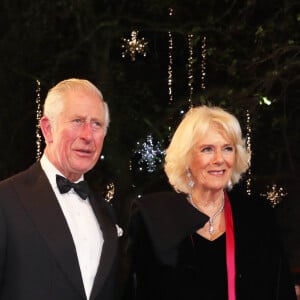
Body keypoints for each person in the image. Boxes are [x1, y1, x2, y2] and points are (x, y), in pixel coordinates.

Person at [125, 105, 297, 300]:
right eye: (207, 149)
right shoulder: (157, 221)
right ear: (187, 157)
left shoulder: (258, 215)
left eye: (227, 148)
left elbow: (282, 292)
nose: (219, 159)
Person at [0, 78, 122, 300]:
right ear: (48, 129)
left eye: (97, 124)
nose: (87, 135)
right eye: (77, 121)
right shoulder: (6, 200)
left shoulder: (106, 213)